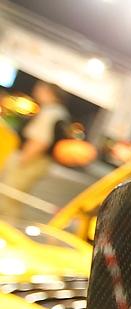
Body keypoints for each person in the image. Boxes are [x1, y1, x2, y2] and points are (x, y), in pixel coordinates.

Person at [0, 81, 70, 218]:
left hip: (31, 159)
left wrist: (22, 159)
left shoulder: (50, 112)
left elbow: (40, 140)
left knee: (9, 199)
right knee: (12, 199)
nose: (36, 91)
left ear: (49, 92)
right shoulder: (59, 113)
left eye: (40, 89)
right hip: (38, 160)